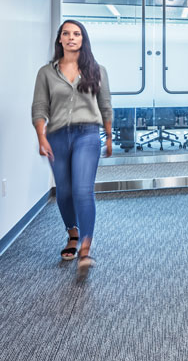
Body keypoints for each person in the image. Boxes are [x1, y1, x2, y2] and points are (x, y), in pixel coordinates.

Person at [32, 20, 113, 275]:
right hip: (56, 136)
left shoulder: (97, 70)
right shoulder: (46, 72)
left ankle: (86, 250)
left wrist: (109, 136)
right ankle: (73, 233)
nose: (71, 37)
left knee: (82, 190)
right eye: (66, 33)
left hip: (87, 134)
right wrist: (41, 136)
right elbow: (39, 106)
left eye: (76, 34)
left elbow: (106, 104)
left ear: (83, 39)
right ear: (59, 39)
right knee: (64, 192)